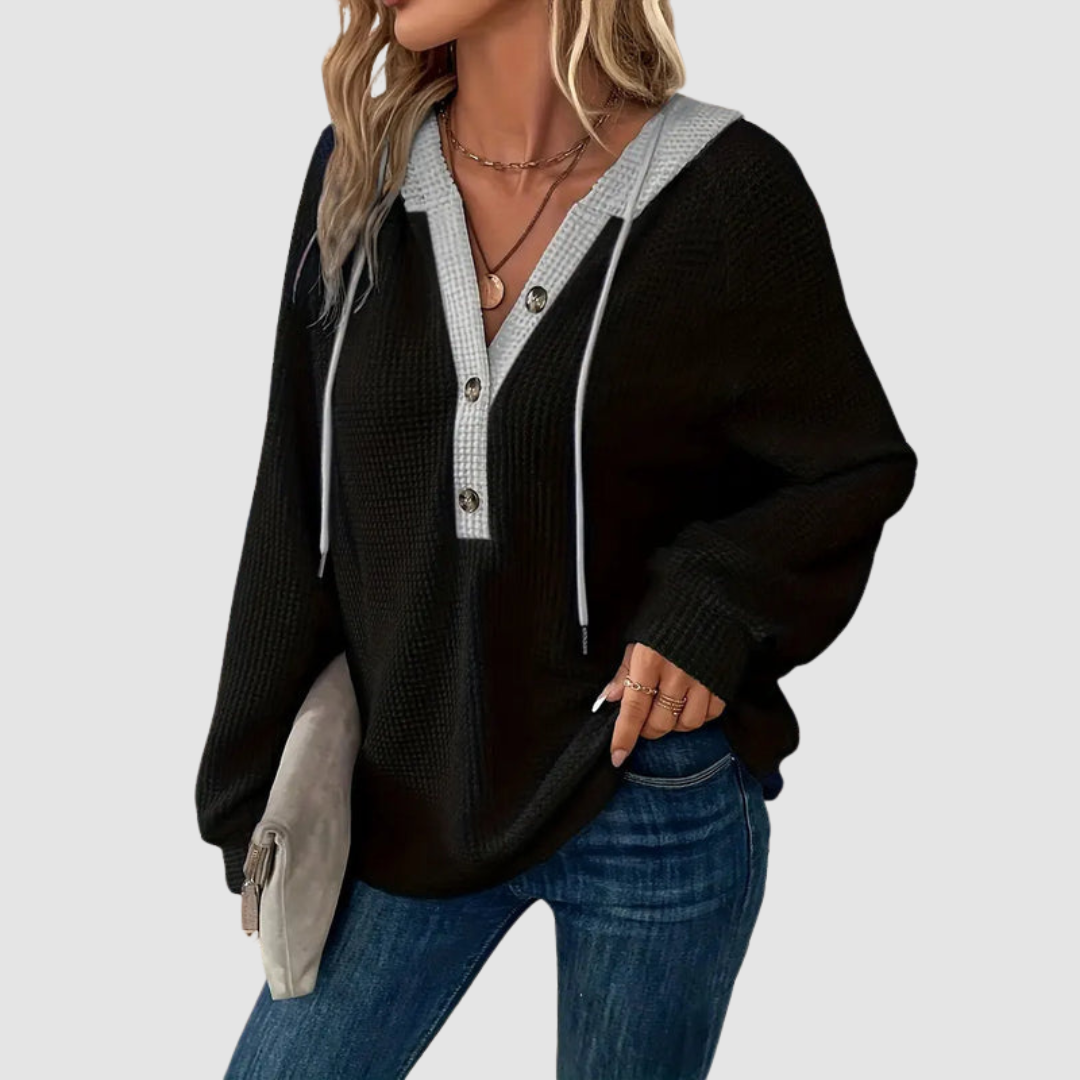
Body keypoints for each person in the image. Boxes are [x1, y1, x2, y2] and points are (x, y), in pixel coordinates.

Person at [195, 1, 918, 1076]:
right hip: (407, 788)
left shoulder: (726, 190)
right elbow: (296, 489)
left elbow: (848, 464)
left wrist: (711, 609)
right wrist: (250, 780)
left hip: (646, 789)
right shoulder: (358, 177)